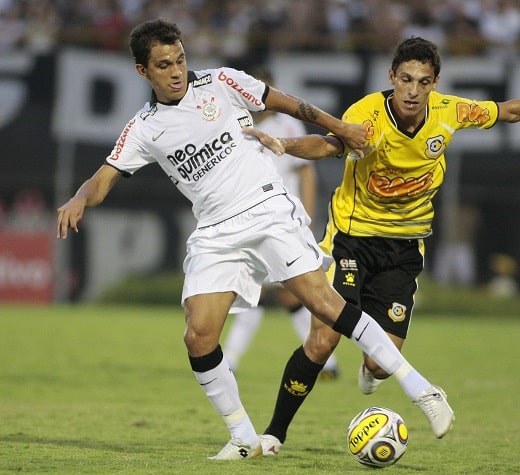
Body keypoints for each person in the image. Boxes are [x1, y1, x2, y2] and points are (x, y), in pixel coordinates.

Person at [56, 20, 455, 461]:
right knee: (198, 337)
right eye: (164, 65)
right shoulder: (145, 128)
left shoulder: (222, 82)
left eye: (181, 59)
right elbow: (105, 176)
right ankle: (243, 437)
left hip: (265, 208)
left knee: (324, 305)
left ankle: (422, 391)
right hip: (213, 230)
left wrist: (338, 128)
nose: (176, 71)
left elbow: (292, 105)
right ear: (142, 72)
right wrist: (78, 197)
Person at [245, 36, 520, 456]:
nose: (413, 90)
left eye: (423, 81)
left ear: (435, 83)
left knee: (381, 361)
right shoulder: (366, 115)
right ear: (392, 78)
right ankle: (274, 435)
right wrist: (286, 145)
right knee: (323, 340)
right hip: (353, 239)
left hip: (404, 249)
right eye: (405, 80)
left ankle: (372, 368)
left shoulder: (450, 112)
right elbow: (330, 146)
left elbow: (509, 111)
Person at [222, 65, 340, 378]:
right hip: (248, 221)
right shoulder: (232, 125)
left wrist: (310, 217)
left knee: (292, 293)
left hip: (284, 221)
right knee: (265, 292)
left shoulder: (287, 126)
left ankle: (231, 361)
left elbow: (305, 171)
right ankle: (326, 363)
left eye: (266, 93)